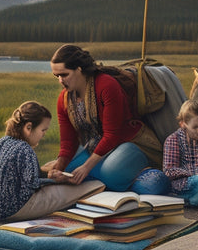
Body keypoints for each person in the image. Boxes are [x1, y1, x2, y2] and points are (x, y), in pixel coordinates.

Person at [48, 44, 169, 194]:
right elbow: (68, 142)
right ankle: (119, 180)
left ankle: (143, 175)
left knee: (110, 173)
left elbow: (112, 135)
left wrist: (86, 167)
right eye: (56, 76)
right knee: (66, 170)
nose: (60, 80)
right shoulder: (64, 99)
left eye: (64, 75)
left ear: (79, 69)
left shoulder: (106, 85)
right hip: (95, 146)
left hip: (128, 142)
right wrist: (59, 168)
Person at [0, 101, 104, 221]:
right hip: (14, 210)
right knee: (93, 186)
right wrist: (58, 180)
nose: (44, 135)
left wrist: (47, 174)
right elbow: (33, 186)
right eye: (43, 130)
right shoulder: (24, 149)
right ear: (28, 127)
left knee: (50, 172)